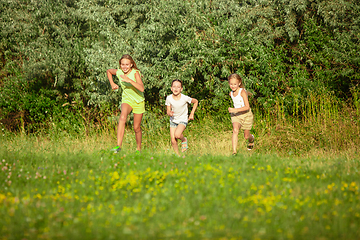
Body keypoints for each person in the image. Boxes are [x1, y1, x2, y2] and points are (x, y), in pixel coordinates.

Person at [106, 54, 145, 153]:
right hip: (127, 99)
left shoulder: (135, 73)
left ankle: (138, 149)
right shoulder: (119, 72)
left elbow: (142, 88)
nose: (124, 67)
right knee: (122, 117)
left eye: (127, 64)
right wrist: (112, 83)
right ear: (120, 65)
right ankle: (118, 146)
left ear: (131, 64)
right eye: (122, 64)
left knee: (136, 128)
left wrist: (129, 80)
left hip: (138, 101)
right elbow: (109, 71)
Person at [165, 79, 198, 156]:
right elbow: (168, 110)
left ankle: (184, 140)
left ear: (181, 89)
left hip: (182, 119)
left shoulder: (185, 98)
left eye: (178, 87)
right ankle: (178, 156)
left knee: (177, 134)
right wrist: (169, 113)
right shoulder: (169, 98)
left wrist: (192, 113)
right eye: (174, 87)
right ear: (171, 88)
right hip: (173, 120)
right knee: (173, 140)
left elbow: (195, 101)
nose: (176, 89)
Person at [228, 73, 255, 155]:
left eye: (235, 84)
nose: (233, 86)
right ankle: (234, 152)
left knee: (246, 136)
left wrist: (235, 110)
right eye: (231, 84)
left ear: (239, 83)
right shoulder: (231, 93)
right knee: (235, 130)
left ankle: (251, 139)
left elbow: (247, 107)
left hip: (246, 115)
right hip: (236, 115)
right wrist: (234, 111)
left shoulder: (242, 92)